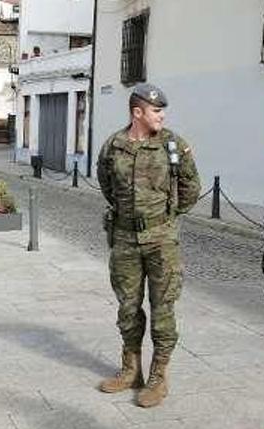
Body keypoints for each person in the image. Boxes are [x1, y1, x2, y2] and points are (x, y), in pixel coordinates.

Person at [96, 83, 201, 408]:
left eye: (162, 110)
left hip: (161, 241)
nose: (162, 115)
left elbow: (191, 186)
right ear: (137, 112)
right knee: (127, 308)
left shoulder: (173, 145)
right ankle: (131, 370)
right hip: (125, 239)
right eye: (156, 110)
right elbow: (106, 184)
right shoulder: (113, 145)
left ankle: (158, 376)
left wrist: (165, 217)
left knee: (162, 309)